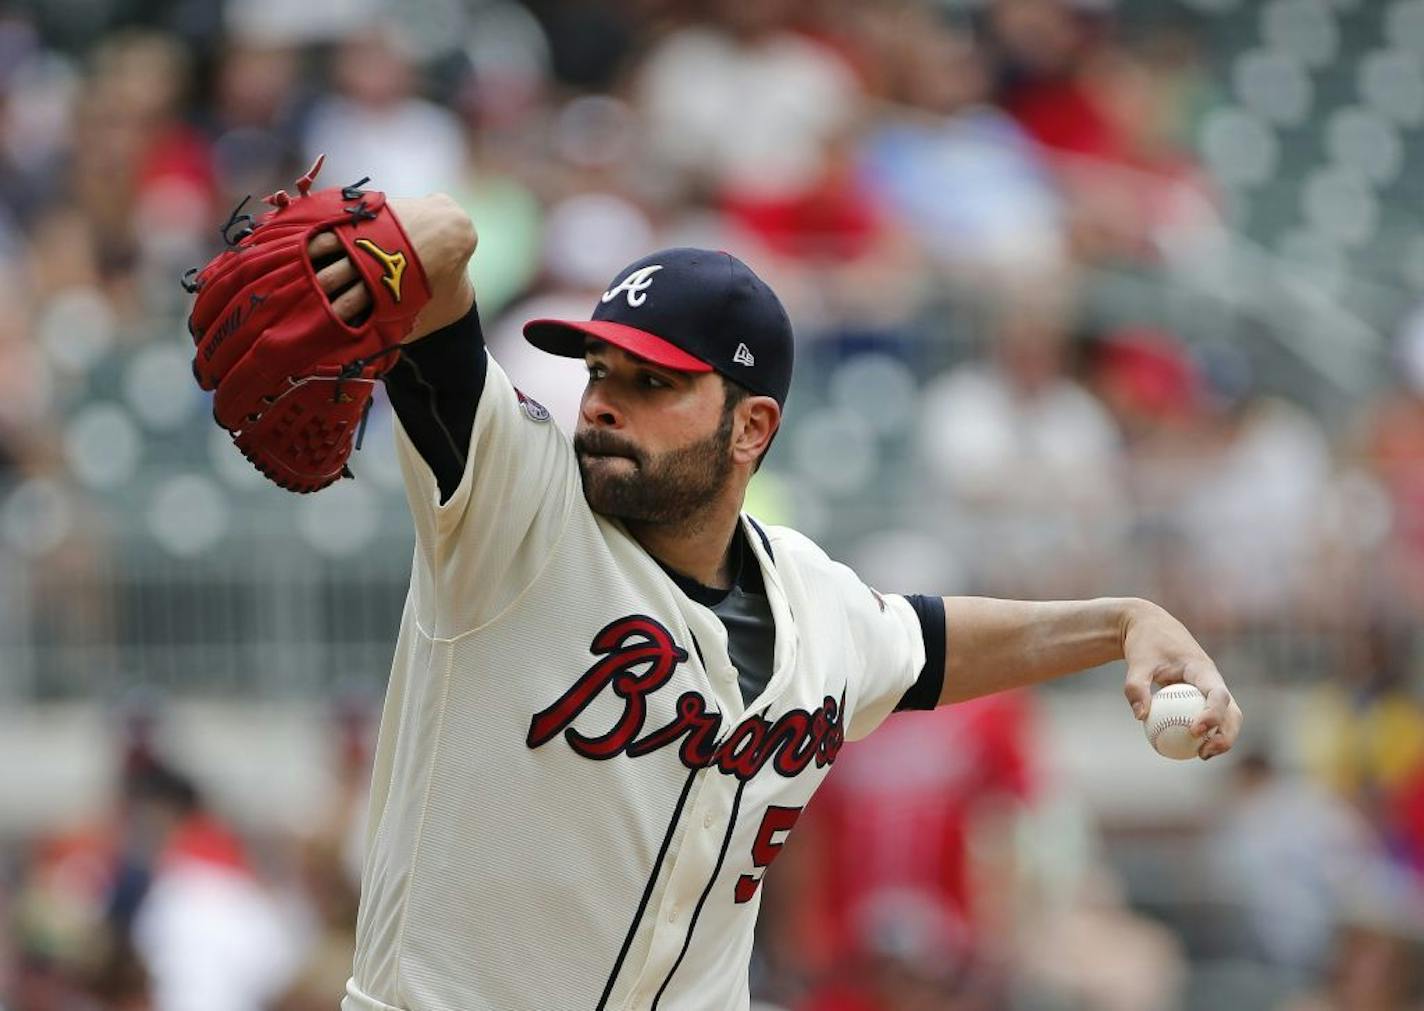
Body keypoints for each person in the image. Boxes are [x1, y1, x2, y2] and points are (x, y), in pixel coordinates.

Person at [289, 195, 1243, 1011]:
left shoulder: (813, 601)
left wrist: (1123, 619)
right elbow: (437, 270)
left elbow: (935, 644)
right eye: (598, 374)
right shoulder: (511, 514)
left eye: (651, 382)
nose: (601, 404)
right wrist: (437, 228)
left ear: (752, 426)